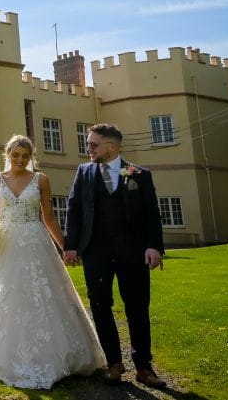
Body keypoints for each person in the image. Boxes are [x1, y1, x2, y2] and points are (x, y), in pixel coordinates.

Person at [0, 134, 105, 389]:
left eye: (25, 156)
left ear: (31, 157)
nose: (20, 160)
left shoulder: (41, 180)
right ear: (8, 155)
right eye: (15, 155)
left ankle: (57, 354)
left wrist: (65, 248)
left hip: (35, 241)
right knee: (4, 294)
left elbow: (48, 218)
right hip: (5, 243)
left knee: (42, 293)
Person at [63, 123, 167, 388]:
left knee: (137, 308)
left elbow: (153, 214)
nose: (88, 148)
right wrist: (71, 246)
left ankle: (143, 366)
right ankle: (114, 363)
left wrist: (154, 246)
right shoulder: (84, 172)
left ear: (112, 146)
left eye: (93, 144)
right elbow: (73, 210)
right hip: (96, 252)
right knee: (99, 305)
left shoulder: (139, 175)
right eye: (88, 143)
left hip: (133, 252)